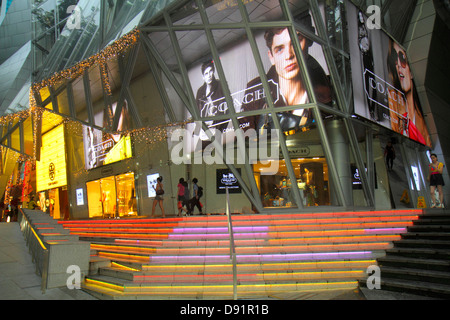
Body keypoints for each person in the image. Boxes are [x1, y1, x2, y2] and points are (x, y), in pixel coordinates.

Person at [241, 13, 332, 134]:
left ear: (309, 41)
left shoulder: (329, 91)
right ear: (271, 57)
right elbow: (243, 139)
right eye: (279, 49)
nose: (289, 55)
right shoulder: (255, 91)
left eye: (296, 42)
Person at [387, 39, 430, 147]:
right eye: (395, 59)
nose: (399, 66)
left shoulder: (424, 127)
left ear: (411, 73)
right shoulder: (391, 101)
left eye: (402, 59)